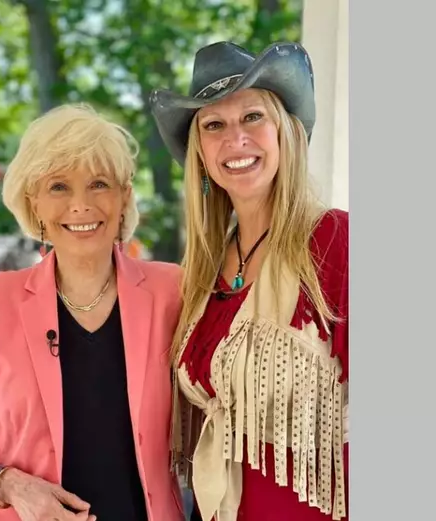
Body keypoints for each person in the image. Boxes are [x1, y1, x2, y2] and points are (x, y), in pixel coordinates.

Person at [148, 41, 349, 521]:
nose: (235, 139)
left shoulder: (335, 241)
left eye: (252, 117)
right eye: (214, 125)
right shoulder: (201, 275)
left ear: (285, 132)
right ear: (201, 152)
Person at [0, 104, 186, 521]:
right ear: (34, 203)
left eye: (99, 184)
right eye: (59, 187)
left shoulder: (175, 291)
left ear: (124, 198)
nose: (81, 205)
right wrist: (8, 485)